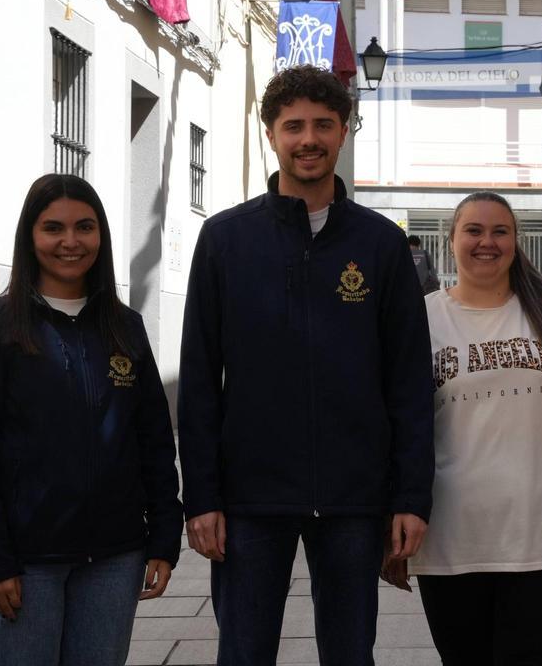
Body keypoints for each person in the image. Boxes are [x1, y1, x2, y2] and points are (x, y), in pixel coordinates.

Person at [178, 64, 435, 666]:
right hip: (248, 499)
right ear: (270, 133)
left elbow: (409, 383)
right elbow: (198, 383)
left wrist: (411, 497)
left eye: (323, 123)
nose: (308, 138)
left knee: (350, 655)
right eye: (293, 126)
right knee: (243, 654)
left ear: (344, 130)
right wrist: (203, 497)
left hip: (354, 497)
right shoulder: (225, 241)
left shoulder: (380, 245)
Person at [382, 191, 542, 666]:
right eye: (473, 230)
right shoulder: (420, 318)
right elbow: (393, 424)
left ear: (516, 241)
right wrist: (393, 513)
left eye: (500, 231)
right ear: (451, 240)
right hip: (452, 542)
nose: (486, 242)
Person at [0, 174, 182, 666]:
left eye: (85, 227)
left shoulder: (125, 328)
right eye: (53, 228)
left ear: (101, 235)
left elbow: (154, 442)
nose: (70, 242)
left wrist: (165, 537)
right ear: (29, 238)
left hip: (115, 558)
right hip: (25, 563)